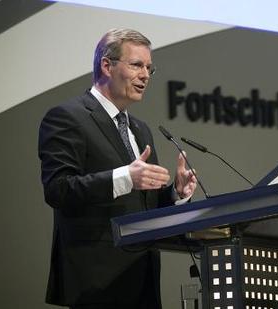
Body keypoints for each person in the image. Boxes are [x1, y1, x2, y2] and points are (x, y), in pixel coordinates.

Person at [38, 28, 197, 309]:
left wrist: (175, 194)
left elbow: (144, 206)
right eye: (137, 65)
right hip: (95, 284)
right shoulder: (68, 117)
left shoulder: (141, 130)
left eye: (149, 68)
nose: (146, 75)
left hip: (142, 283)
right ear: (106, 66)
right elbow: (58, 189)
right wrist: (125, 177)